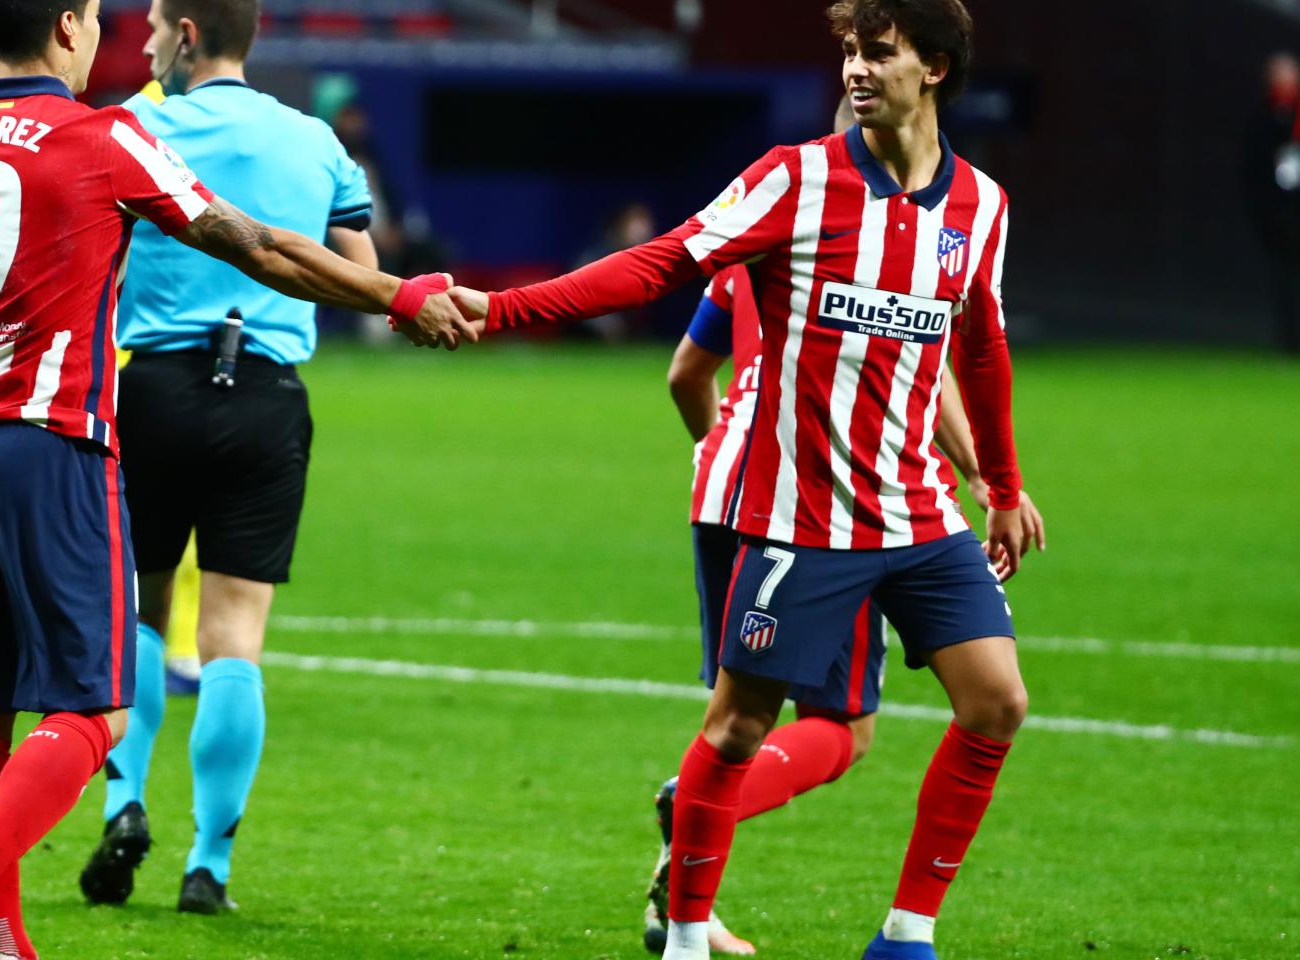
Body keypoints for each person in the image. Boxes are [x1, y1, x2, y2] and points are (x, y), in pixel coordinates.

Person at [0, 1, 470, 956]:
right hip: (50, 444)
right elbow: (259, 245)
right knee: (96, 707)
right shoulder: (104, 137)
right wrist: (394, 292)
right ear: (73, 27)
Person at [445, 2, 1041, 957]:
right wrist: (505, 308)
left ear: (933, 67)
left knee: (997, 703)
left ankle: (906, 934)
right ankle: (683, 935)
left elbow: (982, 347)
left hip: (919, 511)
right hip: (800, 519)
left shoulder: (982, 206)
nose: (854, 68)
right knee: (736, 727)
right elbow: (658, 264)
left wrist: (1003, 488)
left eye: (876, 53)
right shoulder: (791, 180)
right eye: (847, 50)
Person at [647, 236, 1044, 956]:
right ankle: (702, 833)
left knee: (737, 716)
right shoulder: (883, 244)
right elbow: (920, 367)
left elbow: (686, 373)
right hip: (824, 497)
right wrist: (983, 475)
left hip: (725, 492)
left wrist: (717, 451)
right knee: (839, 727)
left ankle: (691, 908)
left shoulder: (753, 249)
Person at [77, 0, 381, 914]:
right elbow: (362, 271)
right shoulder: (315, 139)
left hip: (157, 391)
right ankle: (209, 864)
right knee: (234, 638)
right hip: (268, 397)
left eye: (155, 26)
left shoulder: (136, 126)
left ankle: (124, 805)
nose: (142, 41)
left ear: (187, 35)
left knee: (140, 608)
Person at [1247, 51, 1300, 355]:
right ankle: (1288, 342)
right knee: (1283, 280)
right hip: (1280, 218)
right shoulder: (1263, 118)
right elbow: (1254, 170)